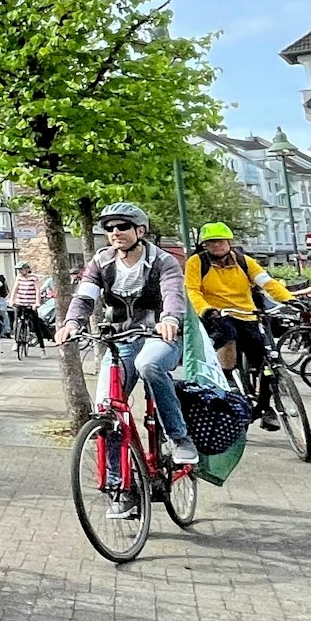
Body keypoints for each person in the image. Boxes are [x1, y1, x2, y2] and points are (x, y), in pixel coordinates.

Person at [56, 201, 199, 472]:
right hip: (120, 340)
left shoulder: (163, 261)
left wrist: (169, 319)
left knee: (149, 364)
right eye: (110, 228)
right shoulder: (101, 261)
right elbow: (85, 298)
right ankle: (117, 486)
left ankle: (179, 437)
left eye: (123, 226)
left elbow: (172, 294)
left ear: (141, 230)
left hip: (158, 336)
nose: (115, 232)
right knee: (106, 408)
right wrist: (71, 322)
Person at [183, 222, 295, 431]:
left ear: (229, 242)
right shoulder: (196, 263)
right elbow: (192, 290)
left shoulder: (245, 262)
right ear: (204, 246)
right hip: (217, 313)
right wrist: (205, 309)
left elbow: (267, 282)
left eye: (220, 241)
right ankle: (226, 381)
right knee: (228, 336)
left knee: (264, 359)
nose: (216, 246)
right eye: (210, 243)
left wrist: (288, 299)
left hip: (247, 314)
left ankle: (264, 407)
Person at [9, 262, 46, 349]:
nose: (19, 272)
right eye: (18, 270)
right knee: (16, 321)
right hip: (20, 302)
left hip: (30, 304)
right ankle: (16, 341)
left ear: (27, 269)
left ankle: (42, 347)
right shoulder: (18, 278)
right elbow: (15, 290)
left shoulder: (33, 278)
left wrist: (37, 303)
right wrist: (12, 300)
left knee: (36, 325)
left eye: (21, 269)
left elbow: (37, 291)